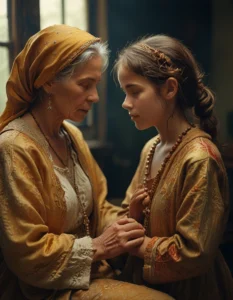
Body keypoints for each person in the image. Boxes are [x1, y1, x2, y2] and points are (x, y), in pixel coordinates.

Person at [0, 25, 173, 300]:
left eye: (96, 85)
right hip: (44, 290)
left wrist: (129, 220)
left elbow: (99, 208)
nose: (94, 96)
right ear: (48, 81)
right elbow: (26, 250)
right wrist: (98, 247)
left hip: (92, 272)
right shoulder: (14, 147)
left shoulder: (72, 136)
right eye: (84, 84)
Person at [114, 34, 233, 300]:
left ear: (169, 89)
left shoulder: (200, 158)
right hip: (148, 287)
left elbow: (194, 251)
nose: (125, 102)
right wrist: (133, 216)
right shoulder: (151, 148)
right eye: (125, 93)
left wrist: (139, 245)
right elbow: (125, 214)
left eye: (134, 91)